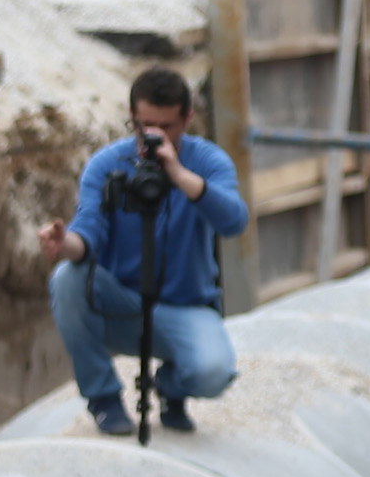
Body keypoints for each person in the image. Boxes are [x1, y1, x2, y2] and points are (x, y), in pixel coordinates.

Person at [36, 67, 250, 437]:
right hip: (121, 306)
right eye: (144, 126)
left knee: (213, 373)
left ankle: (172, 387)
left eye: (166, 127)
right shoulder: (107, 165)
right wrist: (63, 243)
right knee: (68, 279)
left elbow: (233, 221)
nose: (153, 137)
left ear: (187, 118)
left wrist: (179, 175)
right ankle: (103, 399)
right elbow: (87, 234)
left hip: (184, 308)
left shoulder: (209, 162)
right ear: (132, 117)